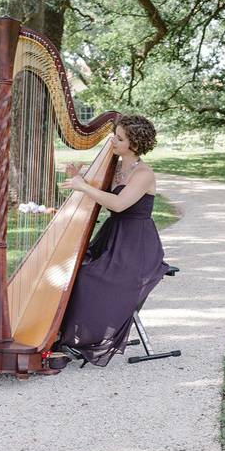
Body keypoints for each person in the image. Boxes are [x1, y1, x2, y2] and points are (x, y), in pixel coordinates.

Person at [53, 114, 169, 367]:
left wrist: (84, 186)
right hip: (113, 236)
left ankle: (83, 339)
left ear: (134, 145)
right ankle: (63, 335)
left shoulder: (143, 174)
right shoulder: (115, 168)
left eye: (119, 138)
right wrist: (79, 177)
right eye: (114, 136)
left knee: (89, 276)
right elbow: (96, 196)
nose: (111, 141)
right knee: (74, 268)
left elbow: (117, 204)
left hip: (136, 245)